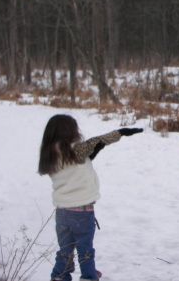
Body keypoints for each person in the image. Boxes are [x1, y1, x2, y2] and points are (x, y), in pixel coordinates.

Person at [38, 114, 143, 281]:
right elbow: (99, 140)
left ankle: (59, 276)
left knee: (65, 249)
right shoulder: (76, 150)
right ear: (69, 131)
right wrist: (121, 132)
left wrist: (94, 151)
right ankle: (88, 276)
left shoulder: (50, 154)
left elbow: (80, 162)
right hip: (81, 212)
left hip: (62, 213)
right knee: (85, 249)